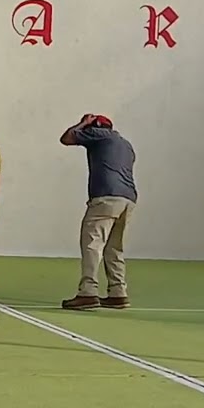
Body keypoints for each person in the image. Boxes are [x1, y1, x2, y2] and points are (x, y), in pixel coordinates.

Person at [58, 113, 138, 310]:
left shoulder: (98, 134)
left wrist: (83, 123)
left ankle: (88, 291)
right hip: (128, 198)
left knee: (92, 244)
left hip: (105, 197)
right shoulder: (126, 145)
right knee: (114, 247)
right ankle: (118, 292)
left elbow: (67, 138)